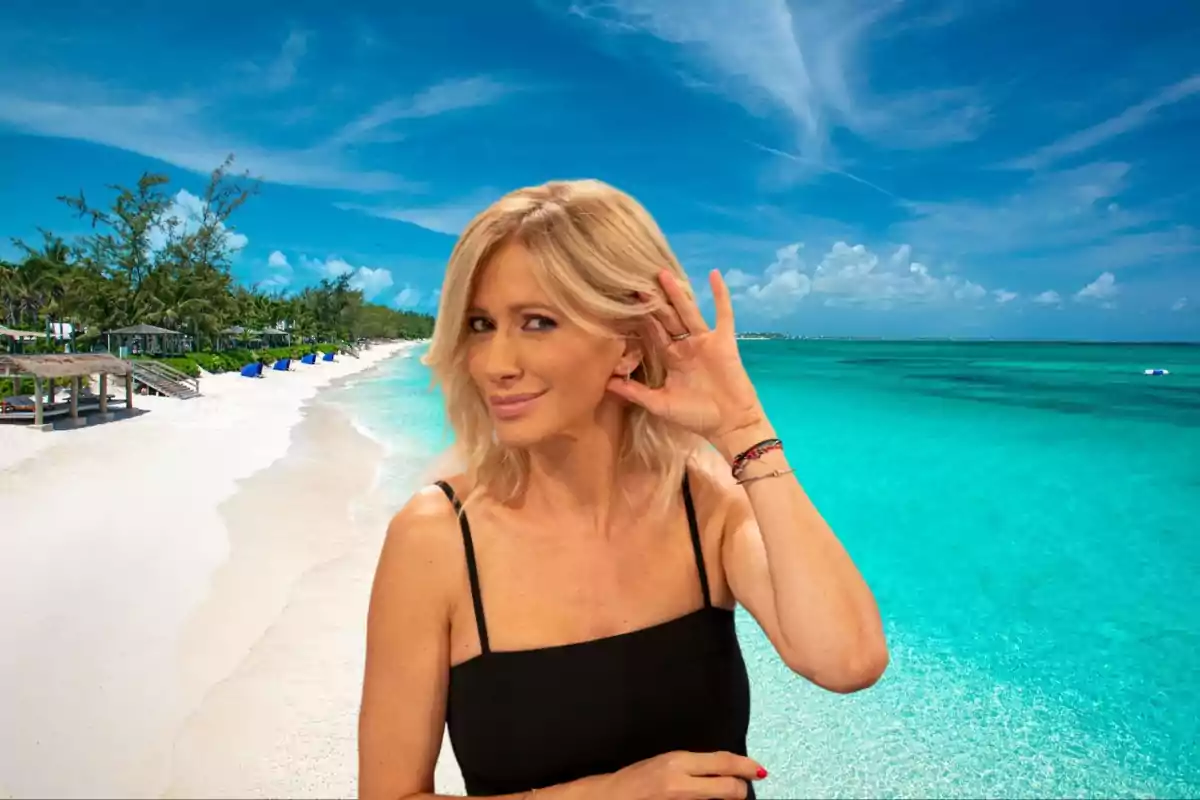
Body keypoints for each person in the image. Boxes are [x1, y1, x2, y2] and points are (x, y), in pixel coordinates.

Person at [358, 180, 888, 800]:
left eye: (537, 322)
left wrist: (745, 430)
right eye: (480, 324)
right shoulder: (439, 537)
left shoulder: (703, 501)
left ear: (630, 344)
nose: (495, 362)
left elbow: (848, 661)